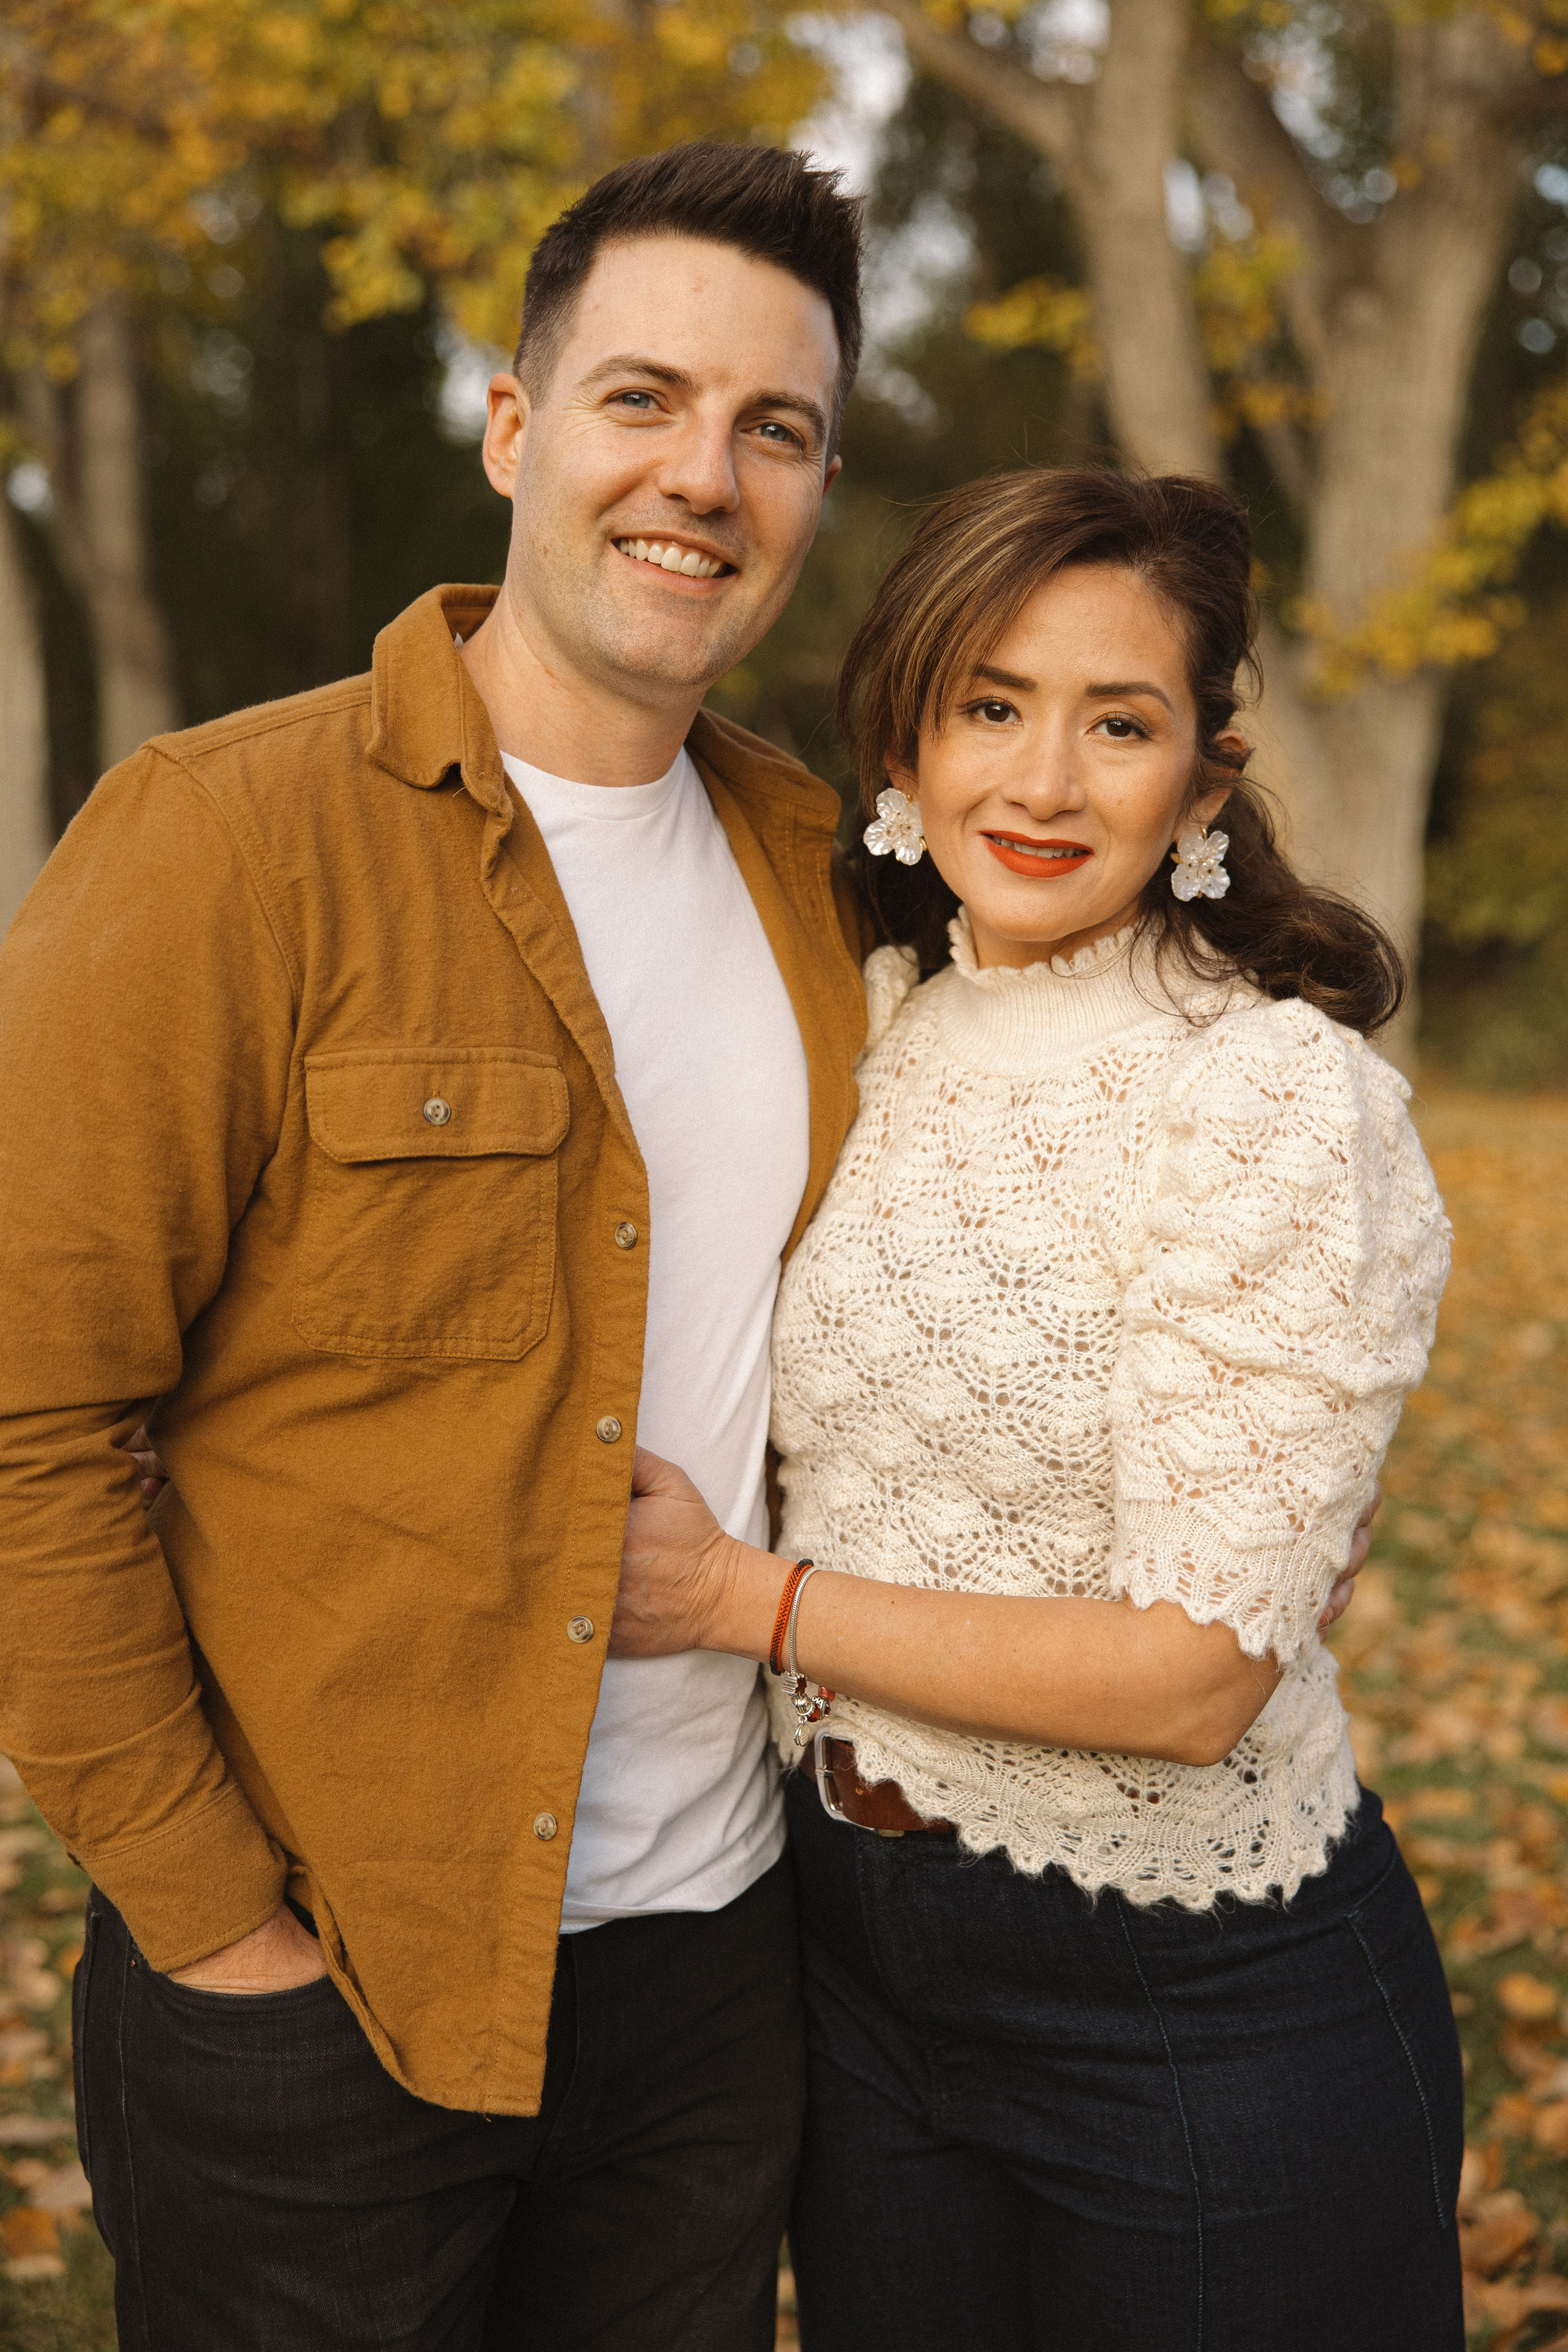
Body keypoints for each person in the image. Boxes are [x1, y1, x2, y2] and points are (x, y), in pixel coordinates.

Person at [0, 140, 870, 2352]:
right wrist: (216, 1939)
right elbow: (28, 1423)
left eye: (776, 429)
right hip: (326, 1989)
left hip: (716, 1974)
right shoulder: (224, 844)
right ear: (512, 427)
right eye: (641, 400)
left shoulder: (827, 871)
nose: (705, 476)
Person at [612, 467, 1463, 2352]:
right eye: (993, 705)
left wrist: (745, 1605)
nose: (1046, 782)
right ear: (909, 737)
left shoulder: (1265, 1097)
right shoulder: (876, 1023)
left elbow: (1192, 1679)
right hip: (853, 1973)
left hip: (1188, 2013)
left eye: (1122, 723)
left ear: (1208, 783)